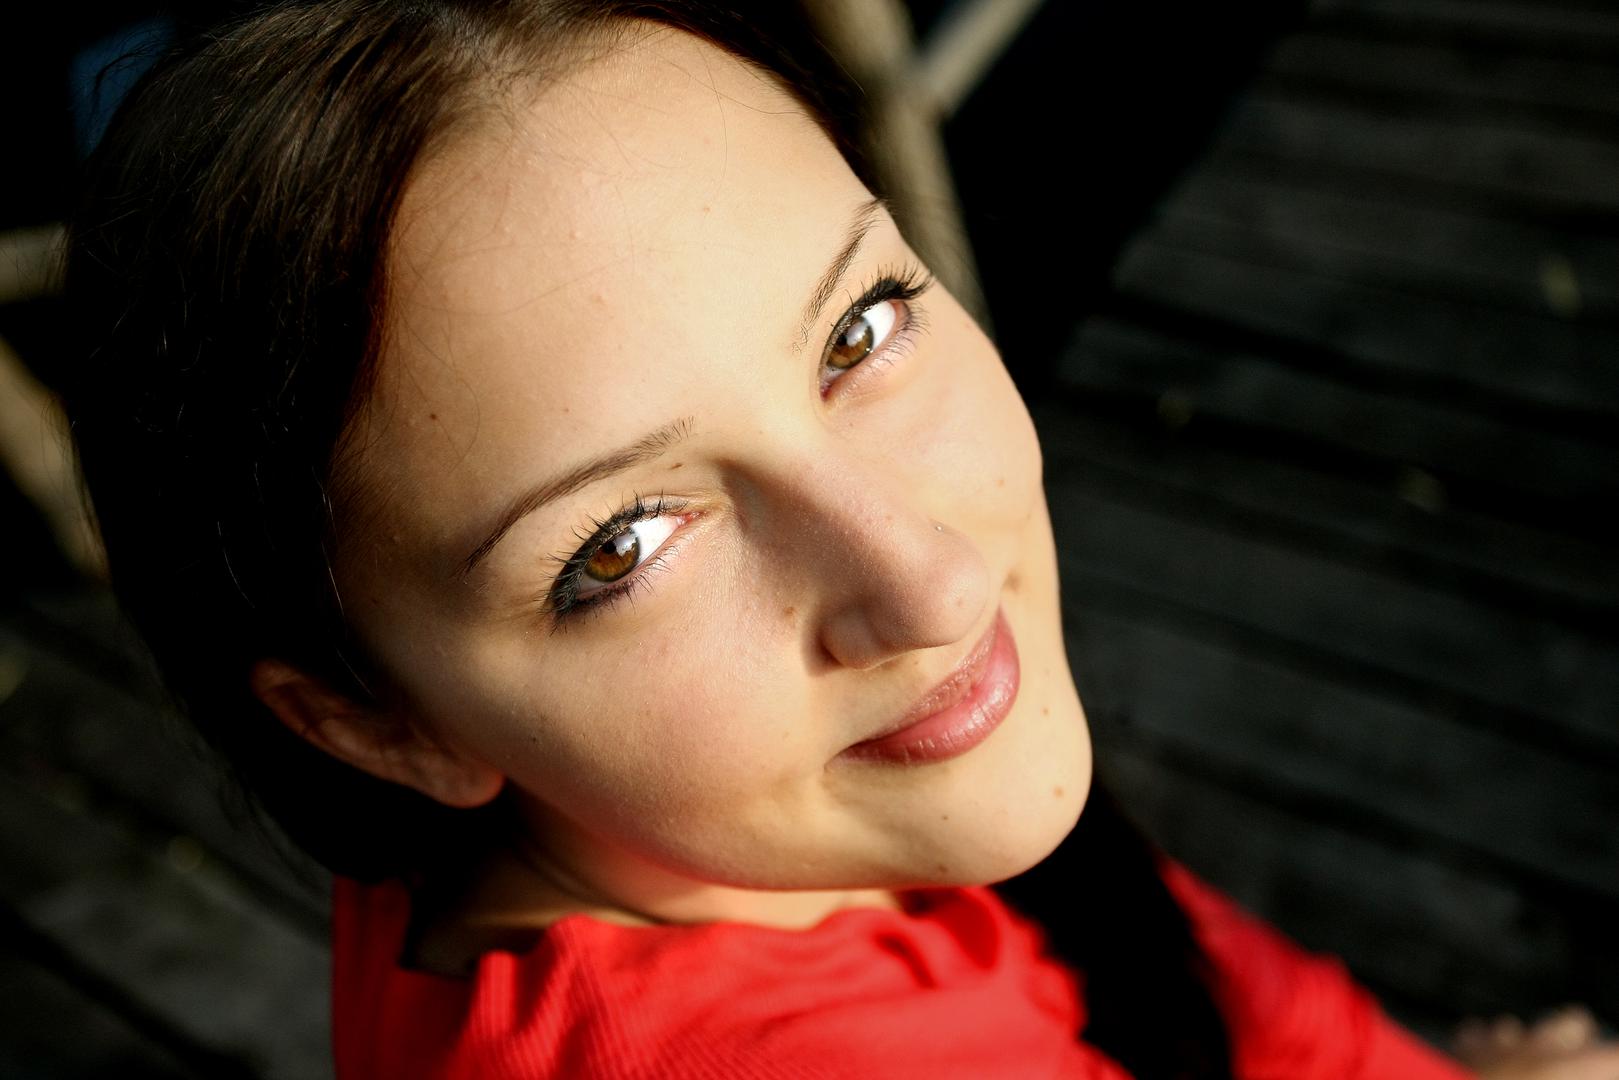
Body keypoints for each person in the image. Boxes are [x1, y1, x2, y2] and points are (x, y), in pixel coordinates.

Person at [58, 2, 1618, 1077]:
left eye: (860, 328)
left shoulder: (575, 820)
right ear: (373, 725)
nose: (930, 581)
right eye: (624, 546)